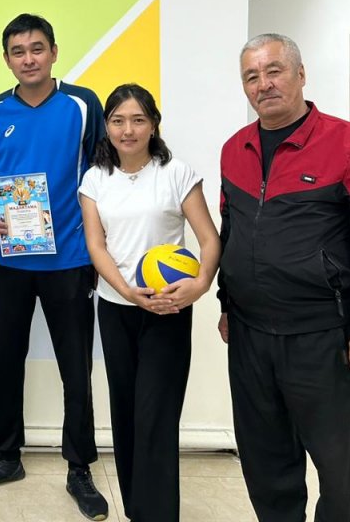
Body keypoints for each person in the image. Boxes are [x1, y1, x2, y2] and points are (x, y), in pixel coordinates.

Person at [218, 33, 350, 522]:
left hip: (324, 338)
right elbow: (232, 232)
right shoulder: (234, 149)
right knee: (265, 462)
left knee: (340, 468)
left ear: (300, 74)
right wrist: (227, 304)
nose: (263, 84)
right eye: (252, 76)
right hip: (250, 337)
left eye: (274, 70)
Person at [0, 13, 109, 522]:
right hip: (8, 260)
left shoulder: (83, 104)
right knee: (6, 360)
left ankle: (79, 467)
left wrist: (98, 244)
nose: (28, 59)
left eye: (37, 48)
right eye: (18, 51)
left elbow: (102, 174)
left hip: (70, 258)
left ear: (53, 52)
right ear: (7, 59)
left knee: (76, 366)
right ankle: (7, 456)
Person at [79, 83, 220, 522]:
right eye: (118, 120)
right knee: (125, 413)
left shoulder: (176, 172)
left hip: (167, 312)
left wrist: (200, 285)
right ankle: (137, 510)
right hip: (116, 308)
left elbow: (209, 239)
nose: (128, 130)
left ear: (154, 124)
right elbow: (96, 245)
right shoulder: (95, 179)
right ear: (106, 126)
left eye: (138, 120)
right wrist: (125, 291)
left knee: (156, 416)